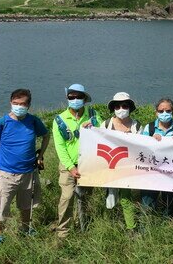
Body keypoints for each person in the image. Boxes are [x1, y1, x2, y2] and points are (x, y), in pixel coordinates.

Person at [0, 88, 50, 247]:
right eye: (15, 103)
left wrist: (40, 155)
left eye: (22, 104)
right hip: (5, 175)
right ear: (10, 103)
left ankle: (25, 229)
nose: (18, 106)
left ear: (28, 105)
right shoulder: (1, 123)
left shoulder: (33, 121)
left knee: (26, 206)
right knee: (1, 210)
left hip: (28, 173)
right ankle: (0, 236)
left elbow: (46, 135)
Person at [53, 84, 102, 238]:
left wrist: (93, 127)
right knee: (67, 198)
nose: (75, 100)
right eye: (71, 97)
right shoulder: (59, 120)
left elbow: (103, 135)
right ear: (67, 99)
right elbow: (60, 147)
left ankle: (81, 224)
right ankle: (63, 231)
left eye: (78, 97)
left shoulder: (94, 115)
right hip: (68, 166)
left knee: (85, 197)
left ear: (84, 99)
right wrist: (70, 167)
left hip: (88, 164)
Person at [140, 98, 173, 217]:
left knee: (169, 204)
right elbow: (141, 148)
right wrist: (150, 140)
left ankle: (167, 227)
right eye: (161, 111)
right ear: (156, 112)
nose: (164, 113)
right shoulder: (149, 128)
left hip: (172, 172)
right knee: (147, 203)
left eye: (168, 110)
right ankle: (144, 230)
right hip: (151, 172)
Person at [100, 92, 141, 231]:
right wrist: (88, 128)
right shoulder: (106, 124)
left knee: (126, 198)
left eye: (124, 105)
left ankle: (131, 227)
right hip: (110, 166)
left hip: (128, 169)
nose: (121, 109)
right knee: (109, 195)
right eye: (117, 106)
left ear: (129, 107)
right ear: (113, 108)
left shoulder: (137, 126)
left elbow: (143, 147)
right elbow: (97, 142)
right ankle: (109, 224)